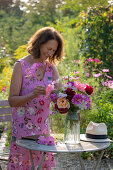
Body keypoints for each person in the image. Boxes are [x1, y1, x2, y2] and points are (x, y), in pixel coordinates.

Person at [7, 27, 64, 170]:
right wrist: (32, 94)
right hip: (22, 132)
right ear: (39, 43)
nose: (50, 53)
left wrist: (66, 98)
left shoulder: (52, 69)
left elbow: (61, 96)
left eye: (53, 51)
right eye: (48, 49)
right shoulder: (21, 66)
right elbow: (12, 101)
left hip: (43, 133)